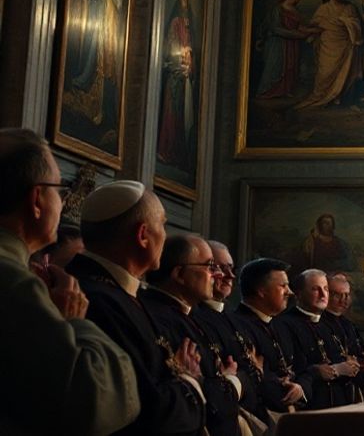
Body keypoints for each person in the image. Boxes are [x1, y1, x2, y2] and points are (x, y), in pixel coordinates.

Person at [0, 129, 138, 435]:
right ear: (37, 200)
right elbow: (97, 401)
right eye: (60, 190)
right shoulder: (13, 282)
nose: (63, 203)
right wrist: (75, 321)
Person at [65, 180, 207, 434]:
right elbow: (145, 411)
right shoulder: (96, 300)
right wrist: (188, 381)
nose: (165, 234)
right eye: (162, 224)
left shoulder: (120, 293)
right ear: (143, 235)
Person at [142, 235, 242, 436]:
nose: (217, 275)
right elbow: (202, 398)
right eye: (210, 267)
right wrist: (231, 381)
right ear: (180, 274)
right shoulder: (159, 318)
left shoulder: (191, 314)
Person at [192, 240, 271, 432]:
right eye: (220, 267)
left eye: (231, 268)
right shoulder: (194, 317)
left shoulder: (234, 319)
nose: (230, 276)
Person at [230, 258, 311, 422]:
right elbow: (251, 377)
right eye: (283, 286)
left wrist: (301, 388)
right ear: (261, 291)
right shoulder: (236, 326)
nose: (290, 292)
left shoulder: (281, 325)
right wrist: (284, 390)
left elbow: (305, 367)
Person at [274, 269, 357, 410]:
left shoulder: (329, 323)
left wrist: (349, 365)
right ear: (299, 293)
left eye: (325, 289)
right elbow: (288, 368)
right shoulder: (284, 324)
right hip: (310, 406)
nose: (323, 294)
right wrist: (322, 371)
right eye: (315, 289)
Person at [294, 0, 363, 110]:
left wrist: (345, 21)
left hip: (345, 45)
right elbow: (314, 23)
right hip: (328, 45)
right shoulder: (324, 8)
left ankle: (339, 98)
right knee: (324, 73)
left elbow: (356, 25)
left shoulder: (349, 7)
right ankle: (321, 96)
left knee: (346, 73)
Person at [158, 0, 198, 167]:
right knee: (172, 112)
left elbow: (190, 50)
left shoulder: (189, 23)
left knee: (182, 116)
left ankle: (177, 152)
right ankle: (167, 149)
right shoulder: (175, 22)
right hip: (175, 75)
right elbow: (171, 48)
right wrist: (181, 55)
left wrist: (189, 64)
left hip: (184, 76)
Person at [322, 273, 364, 401]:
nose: (344, 300)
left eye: (347, 295)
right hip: (335, 391)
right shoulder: (319, 323)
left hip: (358, 388)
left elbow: (362, 353)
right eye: (338, 295)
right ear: (327, 294)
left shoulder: (349, 325)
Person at [257, 0, 319, 98]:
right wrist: (300, 34)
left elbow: (299, 26)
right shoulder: (277, 9)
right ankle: (268, 91)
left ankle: (285, 90)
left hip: (292, 43)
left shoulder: (295, 10)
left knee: (291, 66)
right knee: (276, 65)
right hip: (278, 43)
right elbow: (275, 28)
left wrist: (312, 30)